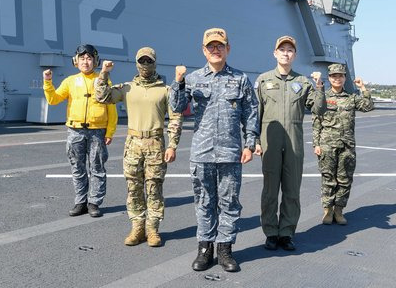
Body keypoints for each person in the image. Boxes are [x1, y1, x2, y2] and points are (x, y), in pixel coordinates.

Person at [170, 28, 259, 273]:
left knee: (229, 203)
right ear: (203, 50)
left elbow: (251, 113)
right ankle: (204, 249)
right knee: (204, 202)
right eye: (211, 46)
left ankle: (225, 250)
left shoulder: (240, 79)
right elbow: (176, 106)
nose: (215, 50)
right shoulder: (193, 78)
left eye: (220, 45)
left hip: (230, 153)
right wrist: (178, 82)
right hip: (202, 153)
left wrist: (250, 144)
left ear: (228, 49)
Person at [94, 47, 183, 247]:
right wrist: (104, 73)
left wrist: (172, 145)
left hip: (155, 143)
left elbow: (176, 117)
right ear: (136, 63)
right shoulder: (127, 88)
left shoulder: (165, 90)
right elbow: (102, 97)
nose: (145, 65)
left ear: (155, 62)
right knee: (133, 188)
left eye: (148, 61)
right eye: (142, 61)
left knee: (154, 188)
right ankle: (137, 227)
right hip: (133, 144)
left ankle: (152, 229)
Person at [255, 35, 326, 251]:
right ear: (275, 53)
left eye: (290, 50)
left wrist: (320, 86)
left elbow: (319, 109)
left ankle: (286, 232)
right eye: (282, 49)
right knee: (269, 190)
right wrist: (255, 141)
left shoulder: (303, 83)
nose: (286, 53)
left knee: (292, 190)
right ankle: (270, 232)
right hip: (270, 142)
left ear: (294, 55)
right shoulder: (264, 80)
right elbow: (255, 113)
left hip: (294, 143)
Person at [43, 44, 117, 218]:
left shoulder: (103, 79)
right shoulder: (70, 81)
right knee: (78, 168)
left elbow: (111, 108)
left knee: (97, 167)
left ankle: (94, 203)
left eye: (89, 58)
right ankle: (80, 202)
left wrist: (110, 131)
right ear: (76, 61)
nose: (86, 61)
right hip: (75, 131)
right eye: (82, 58)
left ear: (95, 61)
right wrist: (47, 82)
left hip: (97, 131)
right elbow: (53, 100)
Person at [312, 63, 374, 225]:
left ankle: (339, 210)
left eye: (340, 76)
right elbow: (316, 121)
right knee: (328, 178)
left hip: (347, 146)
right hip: (327, 145)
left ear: (345, 78)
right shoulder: (323, 97)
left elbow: (368, 106)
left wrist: (363, 88)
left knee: (345, 179)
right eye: (334, 76)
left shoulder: (351, 98)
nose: (337, 79)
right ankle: (328, 210)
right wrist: (316, 144)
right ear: (329, 78)